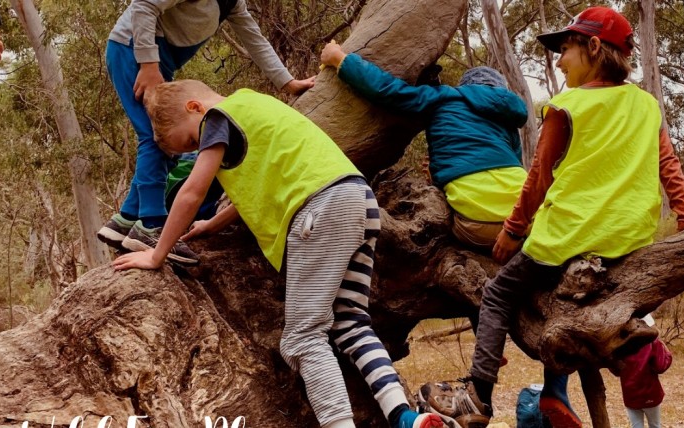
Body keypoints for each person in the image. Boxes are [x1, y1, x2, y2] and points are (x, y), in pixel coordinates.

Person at [111, 79, 450, 428]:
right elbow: (266, 177)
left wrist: (157, 255)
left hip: (319, 208)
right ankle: (404, 416)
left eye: (193, 142)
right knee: (351, 321)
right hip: (356, 199)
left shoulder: (217, 118)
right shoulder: (254, 104)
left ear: (194, 107)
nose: (200, 149)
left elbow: (191, 193)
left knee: (303, 338)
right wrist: (213, 223)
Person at [425, 6, 684, 428]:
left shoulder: (565, 105)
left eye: (566, 49)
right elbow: (670, 167)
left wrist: (513, 230)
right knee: (562, 303)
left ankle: (478, 397)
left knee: (500, 293)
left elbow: (537, 178)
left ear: (593, 46)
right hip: (628, 239)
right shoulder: (646, 105)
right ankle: (557, 391)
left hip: (565, 237)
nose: (559, 60)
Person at [97, 0, 315, 263]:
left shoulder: (231, 4)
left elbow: (254, 40)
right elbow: (144, 5)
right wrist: (148, 64)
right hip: (132, 51)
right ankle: (151, 226)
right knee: (155, 140)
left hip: (156, 60)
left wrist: (288, 82)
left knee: (166, 147)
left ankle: (127, 219)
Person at [320, 41, 528, 252]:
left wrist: (340, 59)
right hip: (530, 220)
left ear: (466, 86)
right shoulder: (508, 119)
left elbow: (389, 90)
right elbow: (517, 163)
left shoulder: (447, 97)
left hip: (478, 226)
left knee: (436, 219)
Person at [608, 315, 672, 428]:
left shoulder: (620, 345)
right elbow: (661, 366)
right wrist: (666, 352)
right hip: (650, 393)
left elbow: (616, 370)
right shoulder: (652, 343)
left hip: (630, 395)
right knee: (655, 425)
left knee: (636, 426)